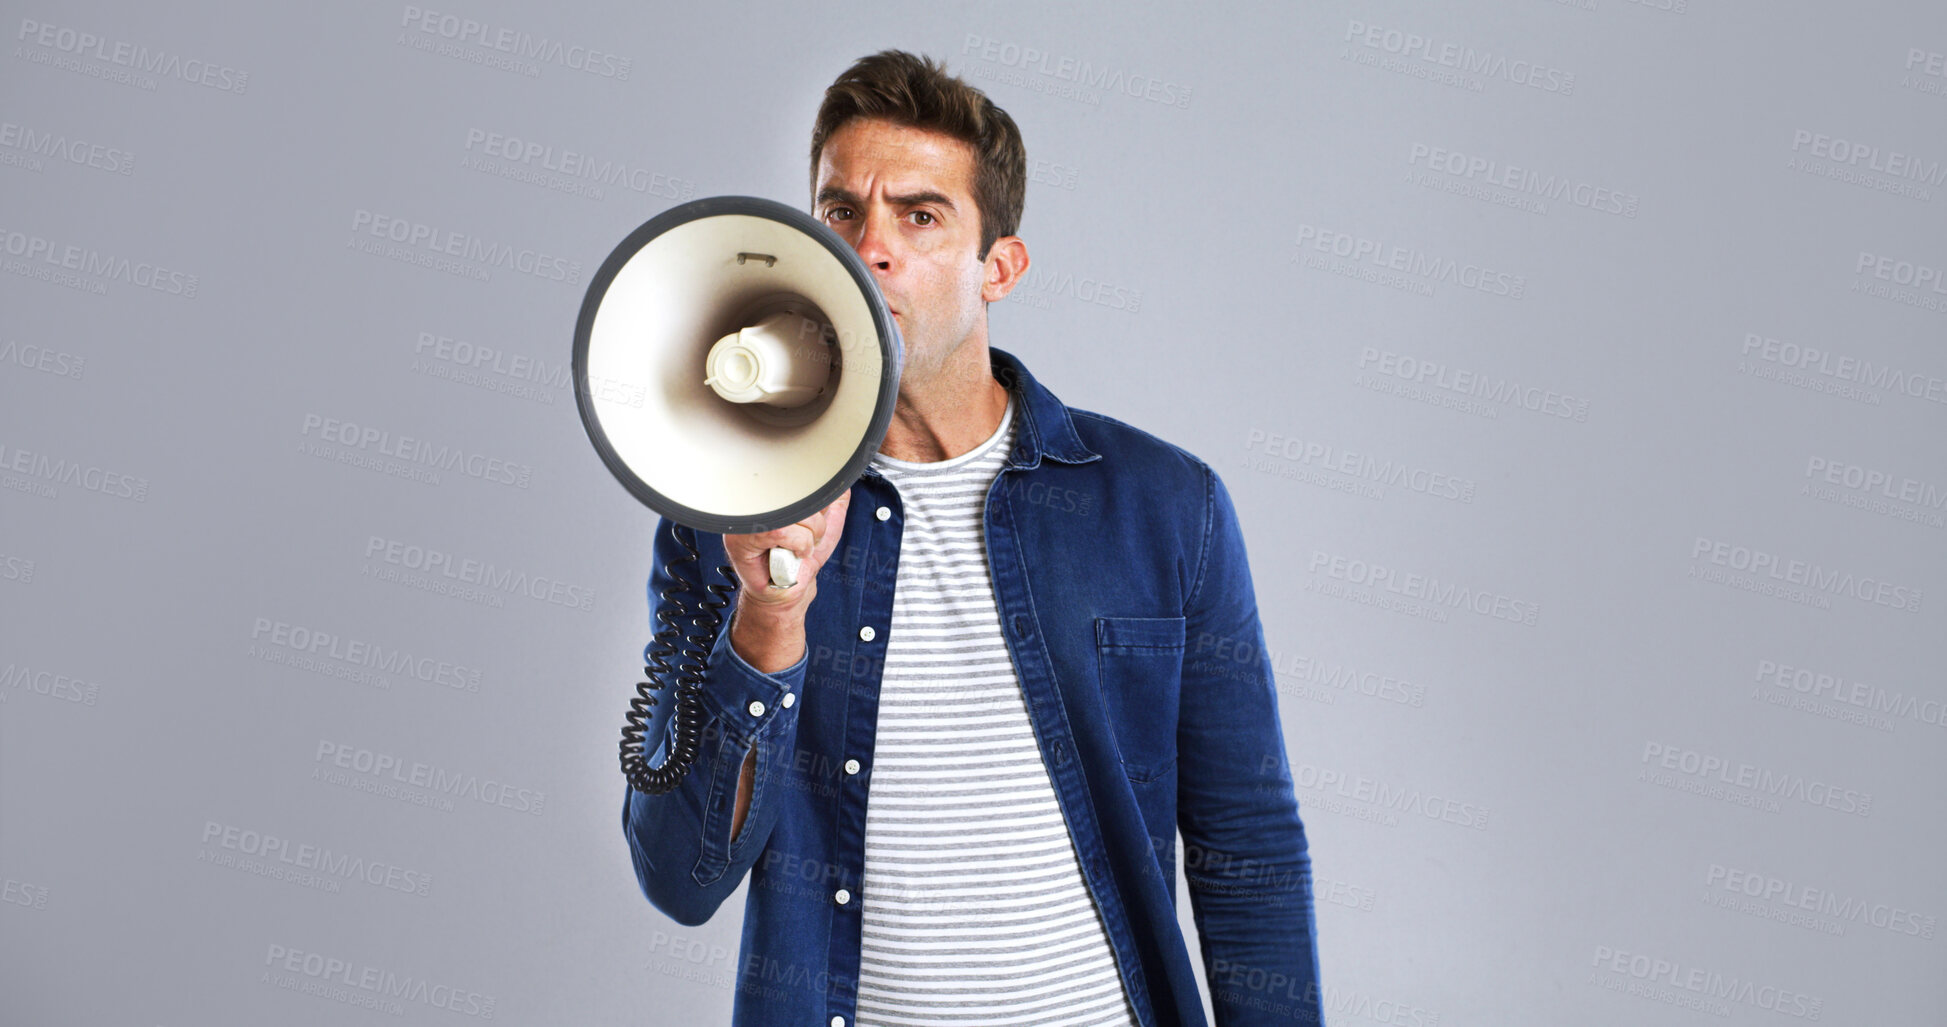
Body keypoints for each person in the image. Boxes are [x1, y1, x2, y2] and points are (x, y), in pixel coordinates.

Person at [622, 49, 1324, 1026]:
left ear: (1000, 266)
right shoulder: (730, 513)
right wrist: (767, 620)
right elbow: (681, 876)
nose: (871, 248)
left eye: (920, 214)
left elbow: (1246, 846)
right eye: (840, 213)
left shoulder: (1163, 505)